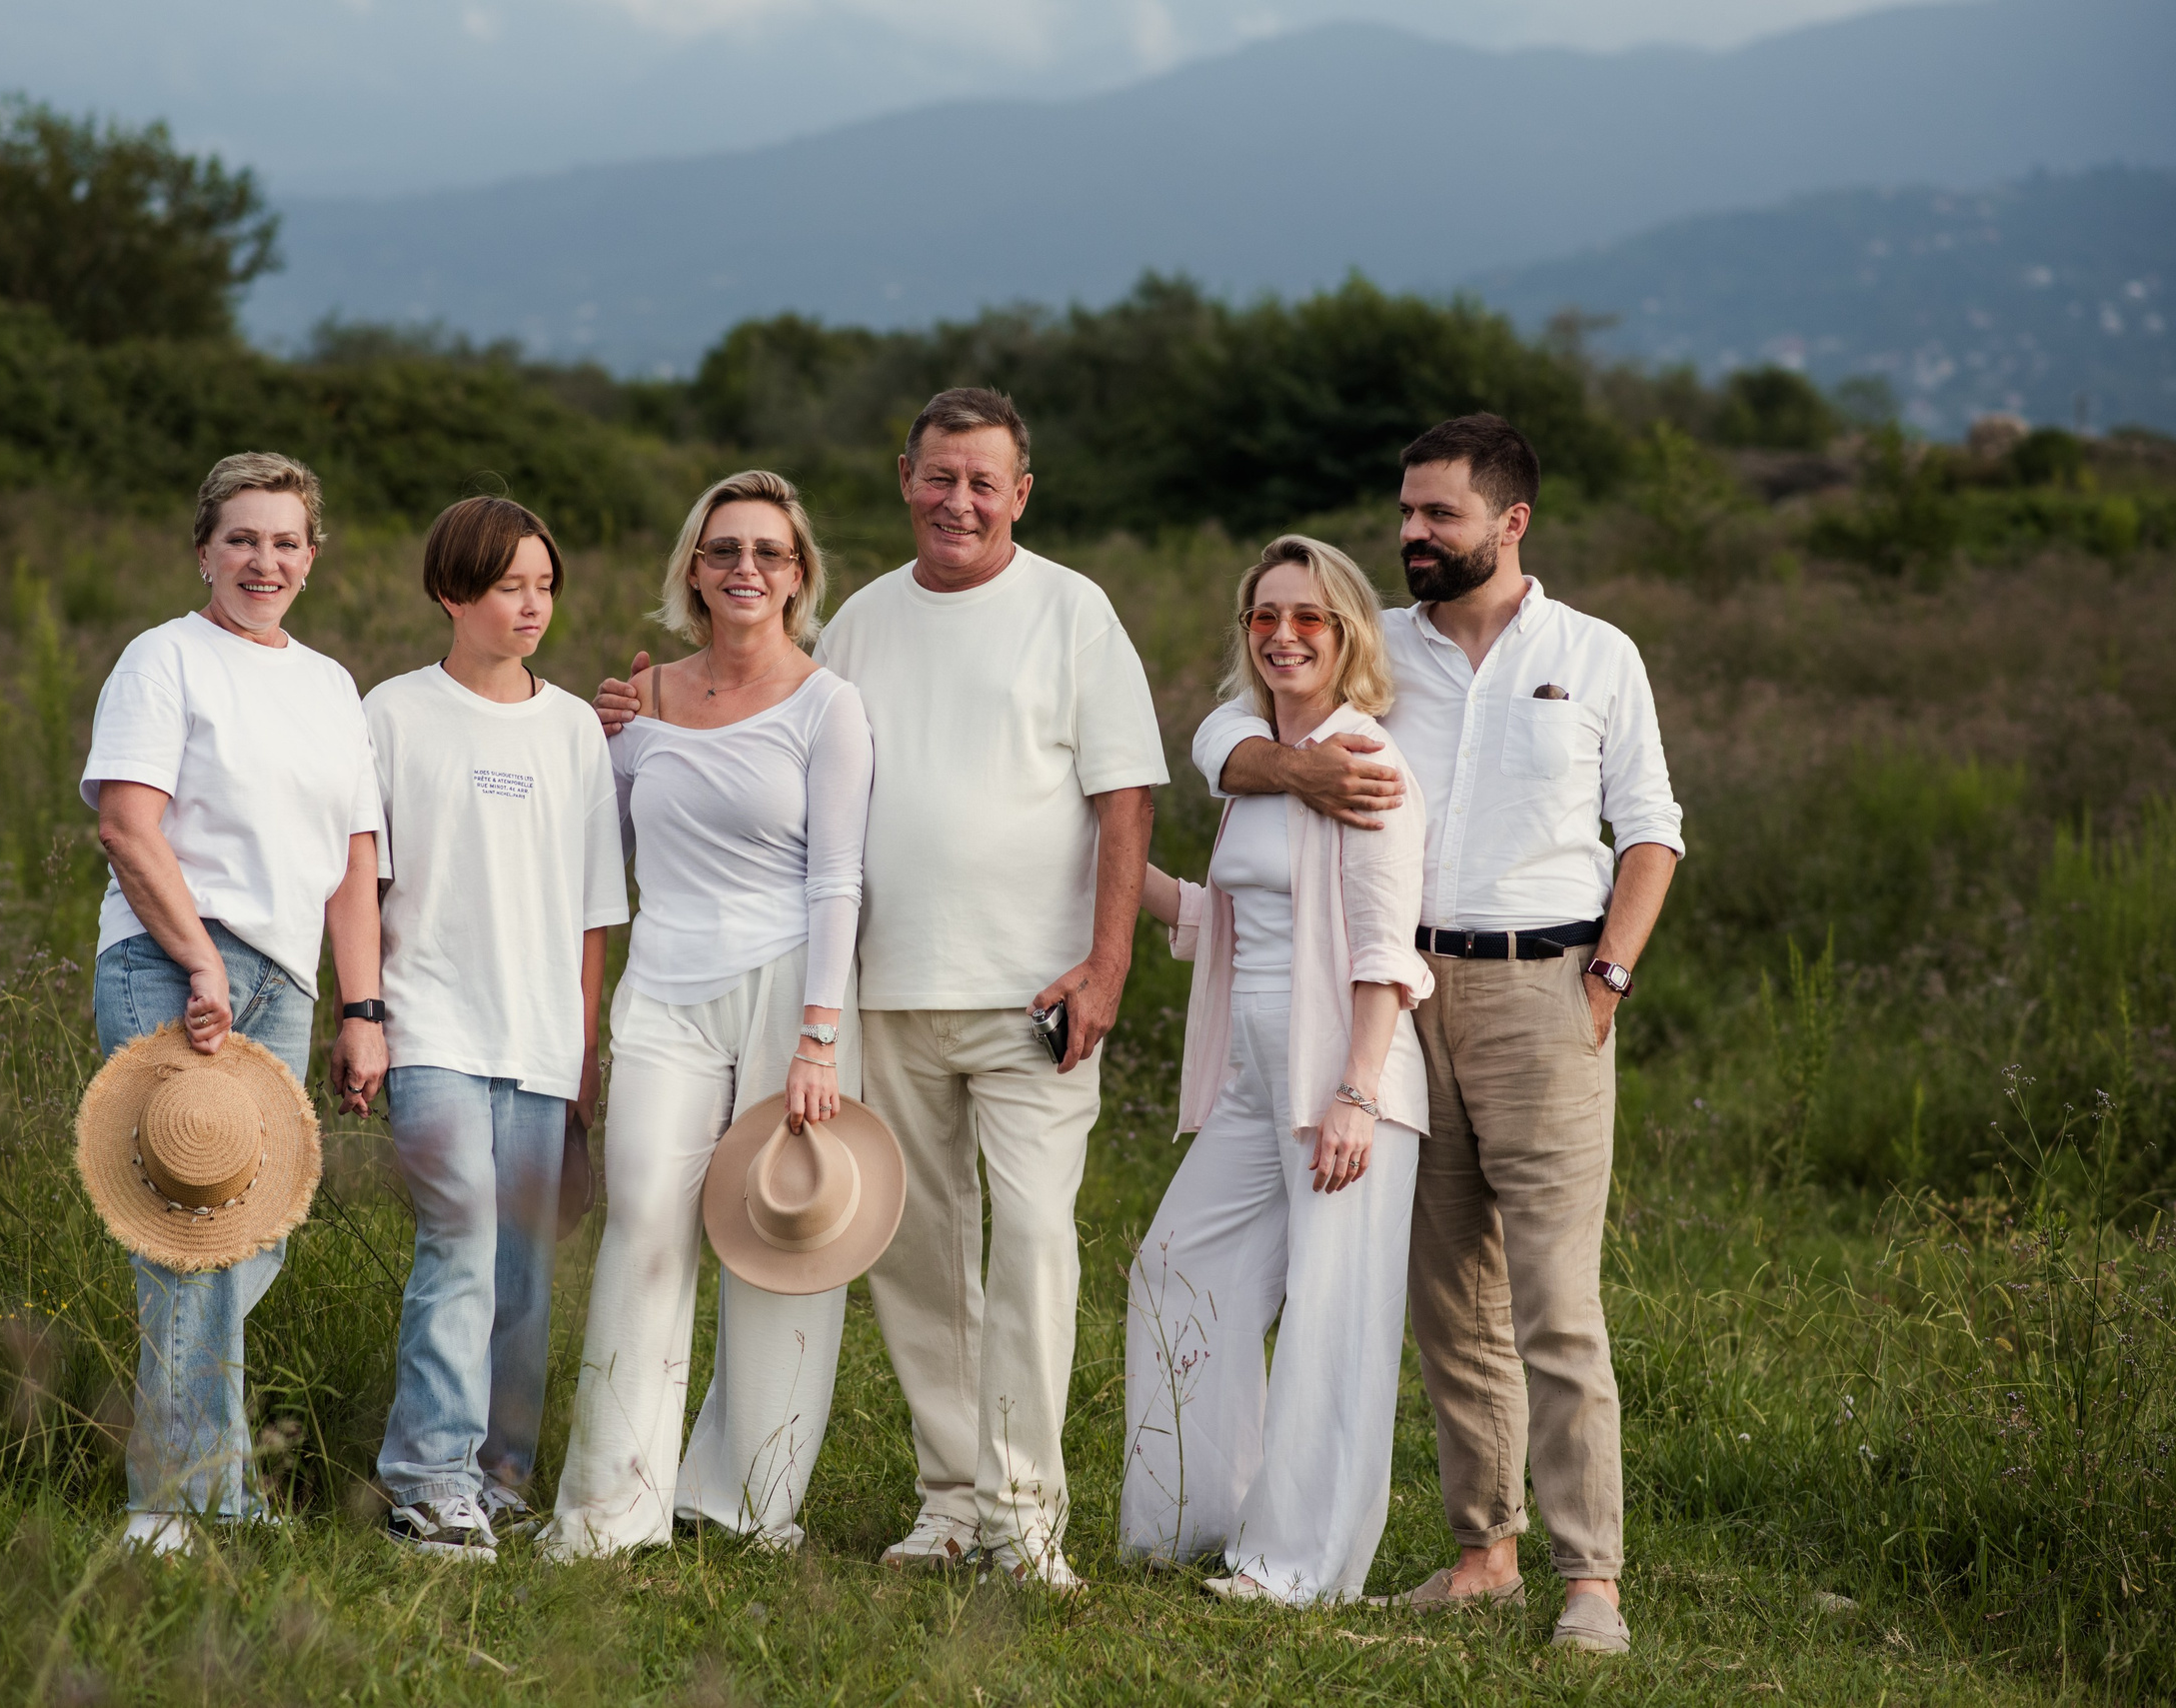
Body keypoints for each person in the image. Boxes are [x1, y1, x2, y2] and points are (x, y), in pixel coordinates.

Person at [596, 389, 1165, 1591]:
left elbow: (1124, 796)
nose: (957, 499)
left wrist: (1108, 964)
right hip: (886, 991)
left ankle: (1027, 1518)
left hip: (1037, 994)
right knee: (914, 1257)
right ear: (905, 477)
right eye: (938, 476)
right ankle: (951, 1497)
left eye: (983, 481)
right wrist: (641, 714)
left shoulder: (1072, 609)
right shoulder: (858, 617)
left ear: (1021, 492)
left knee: (1035, 1248)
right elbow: (773, 721)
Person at [1191, 414, 1682, 1653]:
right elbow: (1220, 733)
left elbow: (1652, 829)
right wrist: (1287, 772)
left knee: (1554, 1297)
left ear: (1511, 522)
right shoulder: (1380, 653)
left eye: (1437, 515)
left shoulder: (1594, 652)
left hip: (1543, 986)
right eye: (1405, 512)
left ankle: (1591, 1579)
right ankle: (1484, 1548)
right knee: (1447, 1291)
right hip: (1402, 991)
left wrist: (1606, 976)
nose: (1410, 533)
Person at [545, 470, 872, 1558]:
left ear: (798, 574)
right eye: (724, 548)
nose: (745, 568)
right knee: (645, 1222)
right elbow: (610, 858)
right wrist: (600, 744)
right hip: (666, 988)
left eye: (768, 552)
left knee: (781, 1234)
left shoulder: (830, 704)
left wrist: (818, 1033)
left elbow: (838, 880)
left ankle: (746, 1498)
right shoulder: (642, 704)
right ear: (692, 567)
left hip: (790, 989)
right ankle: (609, 1507)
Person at [81, 451, 387, 1555]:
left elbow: (354, 861)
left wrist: (366, 1008)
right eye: (244, 538)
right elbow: (128, 823)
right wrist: (198, 965)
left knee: (244, 1238)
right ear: (204, 547)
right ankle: (179, 1500)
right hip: (174, 964)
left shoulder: (329, 683)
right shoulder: (163, 659)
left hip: (285, 979)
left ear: (313, 554)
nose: (266, 559)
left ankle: (195, 1476)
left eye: (287, 540)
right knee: (186, 1232)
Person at [1121, 536, 1432, 1606]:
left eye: (1309, 617)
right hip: (1256, 1082)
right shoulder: (1255, 760)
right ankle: (1195, 1519)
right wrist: (1119, 876)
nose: (1284, 635)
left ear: (1347, 634)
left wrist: (1356, 1089)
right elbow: (1239, 923)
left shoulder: (1366, 763)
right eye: (1265, 616)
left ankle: (1297, 1566)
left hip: (1343, 1086)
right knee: (1177, 1267)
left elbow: (1383, 947)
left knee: (1329, 1322)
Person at [365, 497, 629, 1560]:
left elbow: (591, 910)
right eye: (511, 584)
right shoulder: (390, 712)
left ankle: (499, 1477)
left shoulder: (571, 727)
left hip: (539, 1039)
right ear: (451, 592)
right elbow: (361, 881)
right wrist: (365, 1015)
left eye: (545, 585)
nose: (533, 604)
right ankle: (427, 1483)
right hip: (427, 1025)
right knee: (461, 1242)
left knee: (522, 1267)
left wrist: (583, 1053)